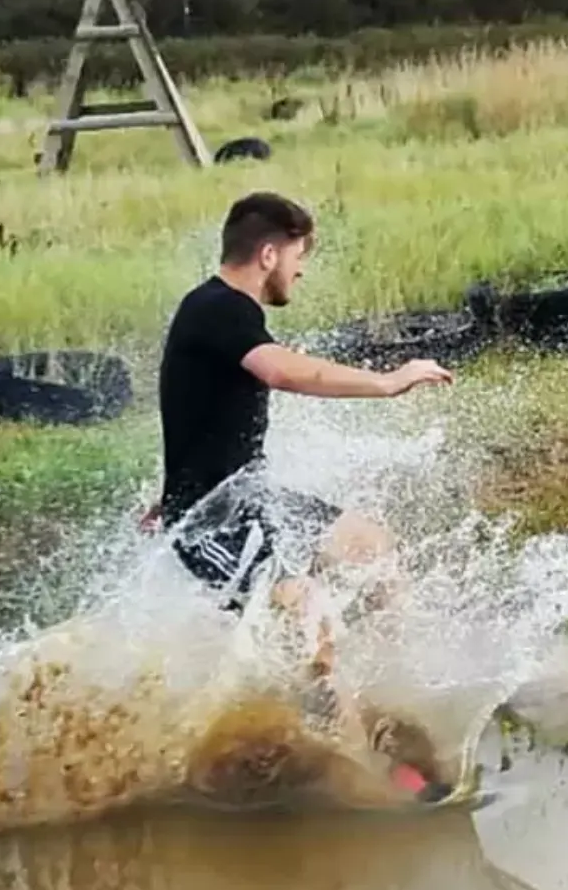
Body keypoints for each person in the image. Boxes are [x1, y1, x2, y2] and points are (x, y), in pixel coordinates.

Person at [147, 190, 450, 609]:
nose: (300, 270)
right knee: (305, 611)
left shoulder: (218, 309)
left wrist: (176, 483)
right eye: (298, 256)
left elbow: (197, 408)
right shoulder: (220, 308)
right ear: (269, 255)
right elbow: (281, 370)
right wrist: (388, 382)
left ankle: (391, 653)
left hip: (251, 498)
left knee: (372, 548)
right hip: (208, 521)